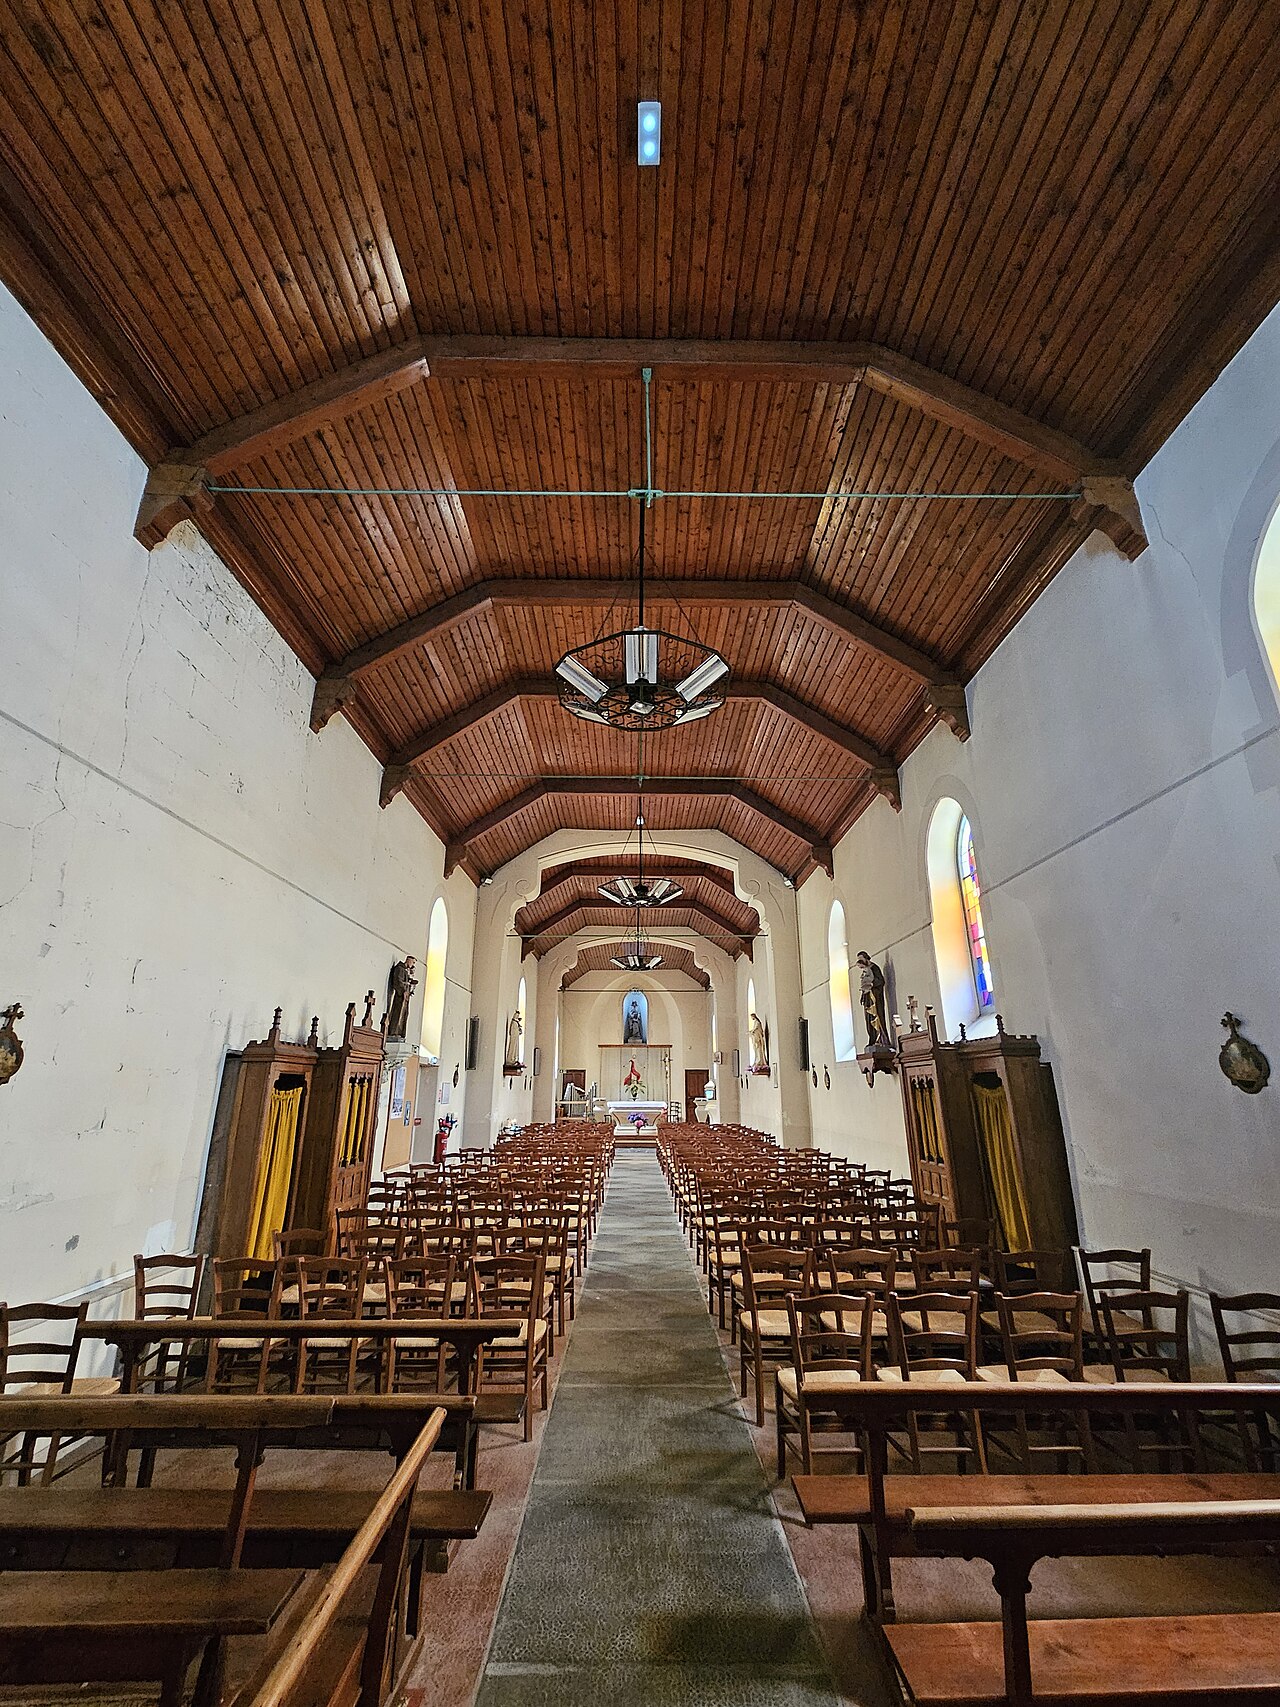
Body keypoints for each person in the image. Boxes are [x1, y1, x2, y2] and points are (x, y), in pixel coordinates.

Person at [856, 951, 889, 1050]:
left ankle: (880, 1039)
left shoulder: (874, 968)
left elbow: (881, 981)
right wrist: (863, 995)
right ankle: (872, 1039)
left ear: (866, 958)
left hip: (875, 998)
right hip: (868, 998)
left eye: (861, 959)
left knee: (877, 1017)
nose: (860, 961)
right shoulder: (866, 971)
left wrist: (871, 984)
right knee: (868, 1019)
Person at [384, 956, 417, 1041]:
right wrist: (403, 990)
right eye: (412, 962)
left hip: (405, 996)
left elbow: (406, 981)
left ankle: (400, 1032)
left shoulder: (406, 970)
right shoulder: (400, 968)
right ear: (408, 960)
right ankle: (394, 1032)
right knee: (397, 1013)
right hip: (400, 995)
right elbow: (398, 981)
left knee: (404, 1014)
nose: (413, 965)